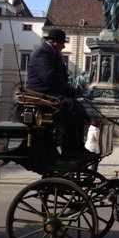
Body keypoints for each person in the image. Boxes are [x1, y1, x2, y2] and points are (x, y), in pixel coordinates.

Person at [27, 28, 95, 160]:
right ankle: (69, 150)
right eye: (62, 43)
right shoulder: (42, 53)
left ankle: (77, 147)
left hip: (51, 92)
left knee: (78, 107)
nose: (64, 46)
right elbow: (49, 77)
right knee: (72, 107)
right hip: (43, 92)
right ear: (53, 42)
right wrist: (69, 90)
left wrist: (71, 90)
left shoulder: (50, 53)